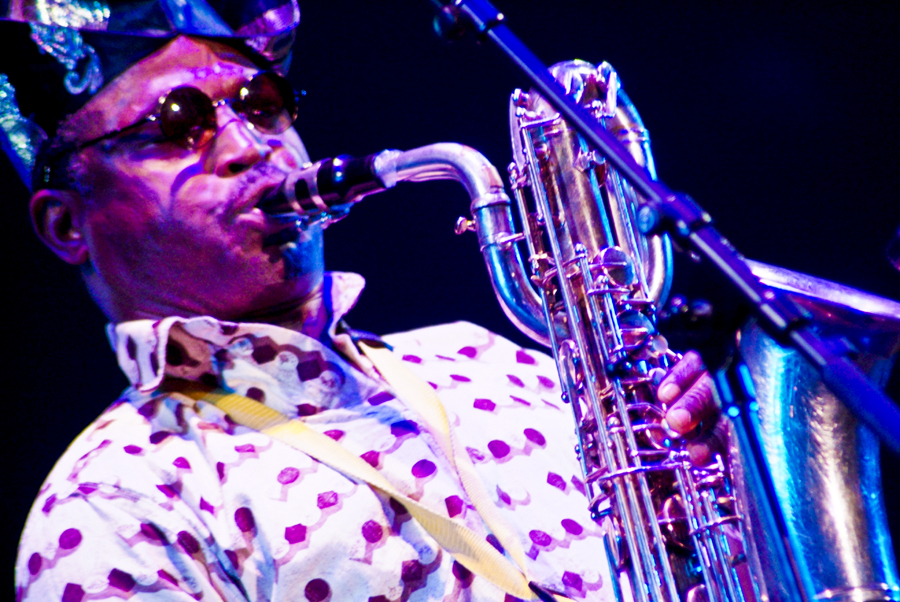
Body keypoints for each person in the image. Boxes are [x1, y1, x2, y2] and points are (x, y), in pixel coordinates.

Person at [4, 1, 716, 600]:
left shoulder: (485, 356)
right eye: (179, 123)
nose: (251, 145)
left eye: (264, 105)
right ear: (67, 224)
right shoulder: (112, 501)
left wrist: (717, 501)